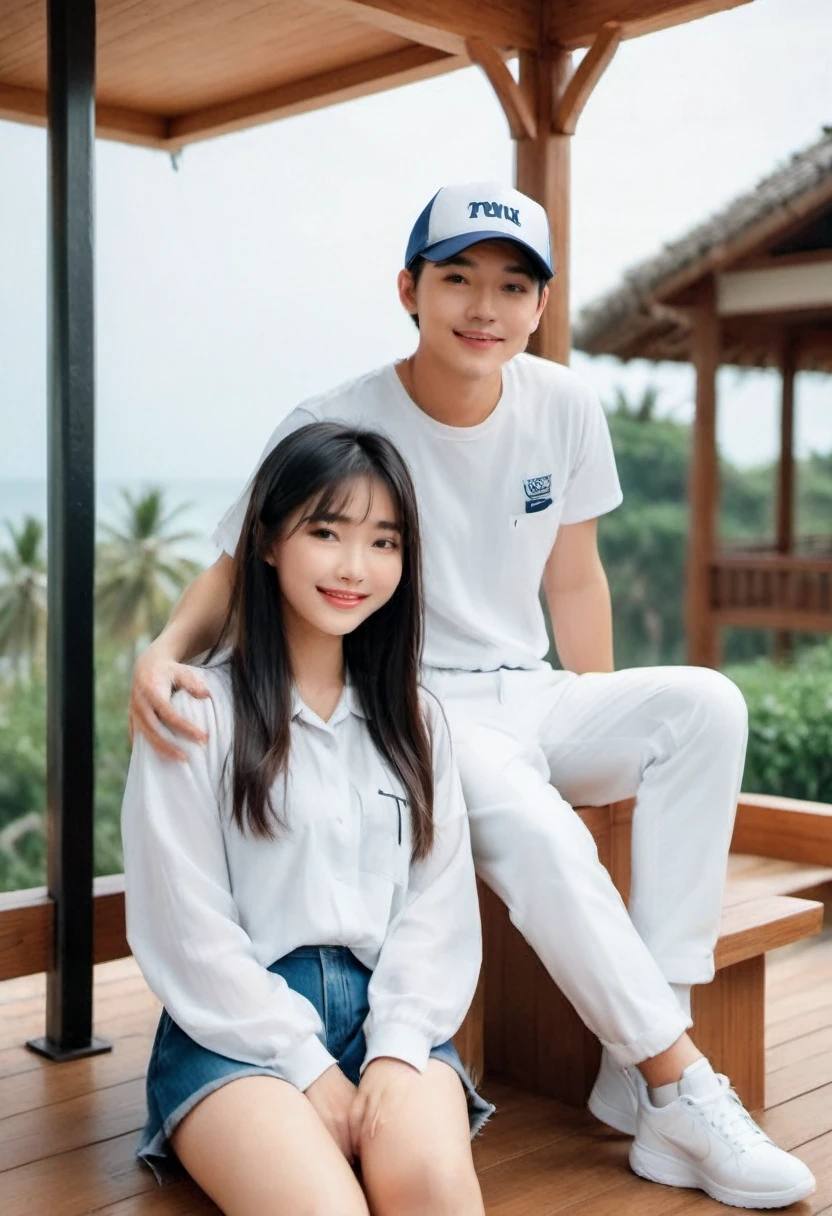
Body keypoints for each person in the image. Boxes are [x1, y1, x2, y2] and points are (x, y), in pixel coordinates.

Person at [129, 182, 815, 1208]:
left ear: (539, 306)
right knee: (539, 833)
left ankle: (648, 1060)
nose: (483, 306)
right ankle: (677, 1079)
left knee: (705, 705)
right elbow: (241, 560)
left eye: (511, 285)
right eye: (457, 279)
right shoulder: (335, 418)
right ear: (409, 288)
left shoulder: (565, 404)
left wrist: (594, 713)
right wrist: (163, 649)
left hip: (532, 688)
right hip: (415, 699)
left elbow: (572, 576)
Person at [122, 422, 492, 1216]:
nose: (355, 568)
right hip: (232, 1031)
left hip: (389, 1014)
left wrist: (395, 1049)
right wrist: (304, 1062)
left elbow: (438, 912)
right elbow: (186, 927)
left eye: (384, 542)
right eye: (326, 532)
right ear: (265, 542)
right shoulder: (198, 714)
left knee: (431, 1189)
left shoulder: (418, 722)